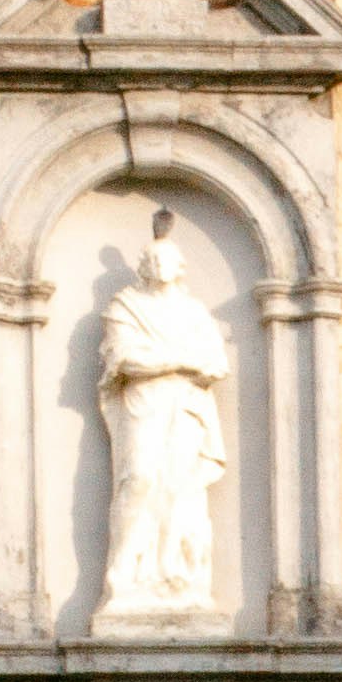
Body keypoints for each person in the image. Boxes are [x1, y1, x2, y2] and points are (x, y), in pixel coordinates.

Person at [96, 209, 232, 621]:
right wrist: (178, 361)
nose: (158, 265)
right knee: (138, 479)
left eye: (165, 259)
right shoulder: (125, 306)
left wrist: (168, 362)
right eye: (151, 260)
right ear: (142, 267)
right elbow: (125, 360)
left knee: (180, 487)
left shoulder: (194, 312)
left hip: (186, 406)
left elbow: (215, 364)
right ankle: (124, 576)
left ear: (178, 267)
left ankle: (177, 575)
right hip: (144, 401)